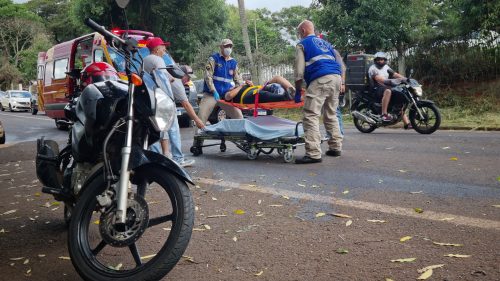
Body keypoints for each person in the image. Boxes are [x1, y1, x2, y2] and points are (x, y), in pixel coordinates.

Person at [143, 37, 201, 167]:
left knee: (157, 131)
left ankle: (156, 160)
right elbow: (162, 81)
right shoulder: (158, 60)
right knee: (173, 130)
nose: (165, 49)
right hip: (164, 100)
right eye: (163, 47)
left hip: (153, 100)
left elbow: (160, 78)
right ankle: (178, 159)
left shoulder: (145, 61)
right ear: (157, 49)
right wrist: (169, 99)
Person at [294, 20, 344, 164]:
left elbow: (299, 71)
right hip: (336, 78)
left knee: (310, 115)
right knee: (331, 114)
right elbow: (338, 61)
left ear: (303, 31)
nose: (299, 35)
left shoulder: (302, 44)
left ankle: (313, 153)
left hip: (320, 79)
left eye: (299, 33)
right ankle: (335, 147)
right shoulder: (326, 44)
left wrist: (298, 90)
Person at [197, 39, 244, 126]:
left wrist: (240, 89)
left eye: (230, 46)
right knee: (201, 116)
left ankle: (238, 135)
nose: (228, 48)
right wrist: (213, 91)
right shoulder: (214, 59)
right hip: (211, 95)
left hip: (225, 96)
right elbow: (208, 76)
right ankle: (198, 137)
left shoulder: (233, 63)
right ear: (221, 47)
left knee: (238, 115)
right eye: (226, 46)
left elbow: (238, 81)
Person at [368, 52, 410, 127]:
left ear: (385, 60)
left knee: (399, 97)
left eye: (382, 60)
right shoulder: (373, 68)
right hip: (376, 88)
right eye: (379, 60)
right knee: (388, 91)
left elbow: (395, 74)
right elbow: (379, 79)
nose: (381, 61)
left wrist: (405, 79)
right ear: (375, 60)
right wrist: (390, 81)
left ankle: (406, 123)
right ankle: (384, 114)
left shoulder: (386, 67)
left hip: (386, 86)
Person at [223, 75, 295, 104]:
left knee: (277, 78)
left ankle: (294, 92)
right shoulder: (227, 92)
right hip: (246, 97)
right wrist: (241, 86)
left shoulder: (240, 86)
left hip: (257, 88)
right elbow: (229, 96)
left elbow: (252, 88)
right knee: (260, 94)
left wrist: (251, 84)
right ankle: (285, 97)